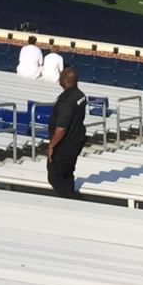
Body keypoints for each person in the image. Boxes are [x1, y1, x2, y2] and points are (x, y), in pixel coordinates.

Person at [46, 65, 88, 199]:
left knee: (55, 176)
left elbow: (61, 127)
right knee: (68, 172)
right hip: (76, 140)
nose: (59, 80)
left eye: (61, 78)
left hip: (65, 144)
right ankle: (69, 197)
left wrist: (51, 145)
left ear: (66, 81)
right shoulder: (80, 95)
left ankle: (72, 199)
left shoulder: (66, 101)